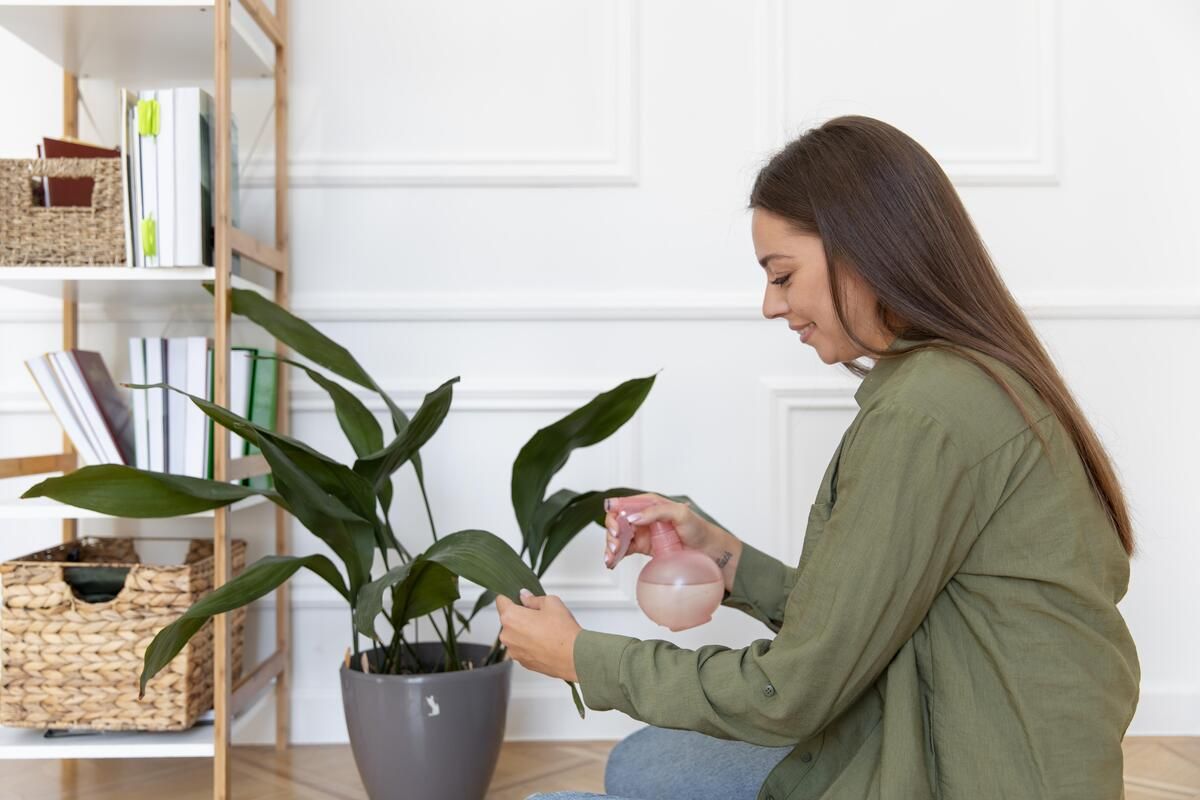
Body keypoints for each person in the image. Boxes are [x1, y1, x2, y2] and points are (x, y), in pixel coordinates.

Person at [494, 115, 1140, 800]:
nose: (771, 305)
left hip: (956, 772)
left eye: (782, 275)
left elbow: (789, 692)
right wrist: (725, 557)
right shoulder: (957, 380)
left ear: (864, 249)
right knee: (645, 763)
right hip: (949, 728)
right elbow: (861, 620)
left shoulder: (925, 417)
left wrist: (581, 658)